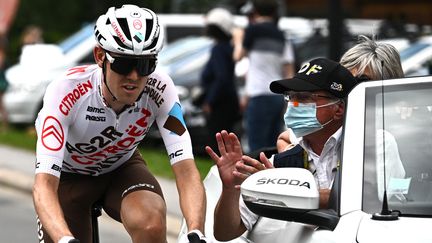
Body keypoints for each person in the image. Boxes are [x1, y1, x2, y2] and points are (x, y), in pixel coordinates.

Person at [32, 5, 207, 243]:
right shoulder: (66, 91)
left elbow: (186, 170)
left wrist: (196, 232)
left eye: (145, 65)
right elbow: (44, 185)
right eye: (124, 64)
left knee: (150, 224)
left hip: (121, 169)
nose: (134, 76)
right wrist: (65, 239)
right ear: (100, 57)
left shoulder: (161, 89)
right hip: (67, 177)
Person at [206, 57, 357, 241]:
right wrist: (230, 189)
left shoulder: (370, 148)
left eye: (304, 97)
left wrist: (288, 191)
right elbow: (225, 233)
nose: (293, 104)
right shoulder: (278, 164)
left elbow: (376, 198)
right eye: (291, 97)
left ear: (339, 108)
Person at [233, 0, 295, 152]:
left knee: (256, 145)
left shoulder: (252, 31)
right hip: (277, 96)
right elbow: (289, 70)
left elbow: (238, 56)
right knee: (274, 144)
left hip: (259, 95)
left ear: (254, 10)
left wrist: (238, 39)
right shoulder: (281, 35)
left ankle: (257, 175)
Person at [198, 8, 240, 150]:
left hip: (220, 104)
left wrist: (210, 101)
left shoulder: (219, 49)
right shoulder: (228, 47)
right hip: (228, 100)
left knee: (219, 142)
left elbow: (221, 78)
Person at [0, 35, 9, 131]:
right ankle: (5, 125)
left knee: (1, 105)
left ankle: (5, 125)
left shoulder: (1, 54)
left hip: (1, 82)